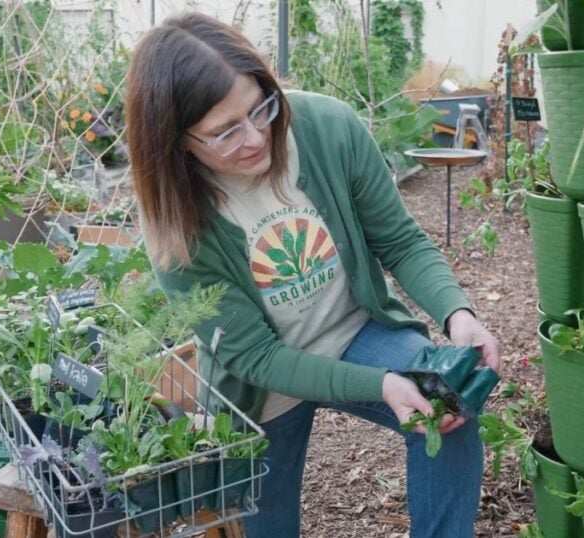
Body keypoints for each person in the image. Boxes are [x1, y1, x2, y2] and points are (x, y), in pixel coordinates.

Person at [126, 13, 501, 538]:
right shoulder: (174, 221)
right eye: (224, 132)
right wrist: (383, 385)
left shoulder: (328, 129)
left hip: (353, 332)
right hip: (261, 385)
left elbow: (399, 240)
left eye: (260, 108)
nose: (255, 137)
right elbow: (256, 358)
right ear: (176, 141)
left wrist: (457, 314)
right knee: (270, 527)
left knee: (447, 416)